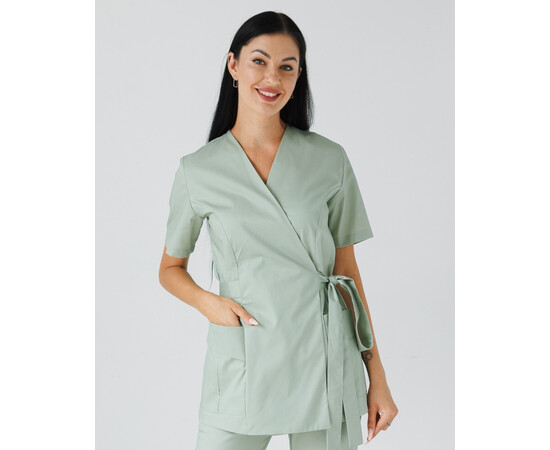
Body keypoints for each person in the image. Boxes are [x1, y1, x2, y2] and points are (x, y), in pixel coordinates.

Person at [158, 11, 398, 450]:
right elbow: (170, 268)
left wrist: (376, 376)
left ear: (298, 76)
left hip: (324, 356)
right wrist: (210, 304)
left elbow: (346, 270)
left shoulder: (329, 159)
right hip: (246, 354)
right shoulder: (198, 171)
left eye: (287, 66)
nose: (273, 78)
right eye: (259, 61)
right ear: (233, 65)